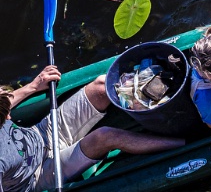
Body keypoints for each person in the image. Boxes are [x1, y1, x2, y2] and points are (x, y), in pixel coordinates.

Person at [1, 66, 184, 192]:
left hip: (42, 133)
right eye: (4, 118)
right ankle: (187, 142)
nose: (10, 117)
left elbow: (3, 101)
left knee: (102, 86)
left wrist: (33, 86)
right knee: (107, 136)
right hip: (40, 174)